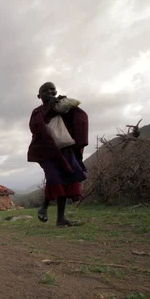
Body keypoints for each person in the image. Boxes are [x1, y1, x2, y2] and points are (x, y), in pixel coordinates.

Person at [27, 82, 88, 227]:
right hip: (45, 150)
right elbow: (36, 127)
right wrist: (49, 109)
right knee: (54, 177)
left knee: (66, 178)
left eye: (52, 90)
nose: (50, 93)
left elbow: (77, 120)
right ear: (39, 96)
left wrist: (68, 105)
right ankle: (44, 207)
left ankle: (60, 219)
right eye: (45, 91)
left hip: (64, 148)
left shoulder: (61, 108)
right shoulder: (37, 112)